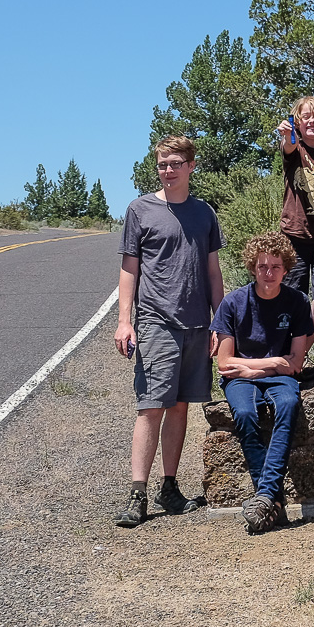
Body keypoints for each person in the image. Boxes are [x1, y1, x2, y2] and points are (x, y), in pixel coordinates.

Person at [113, 135, 225, 528]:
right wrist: (125, 320)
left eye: (176, 163)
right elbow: (130, 270)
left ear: (191, 166)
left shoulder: (204, 213)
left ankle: (170, 487)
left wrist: (219, 322)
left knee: (180, 406)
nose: (169, 170)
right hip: (158, 321)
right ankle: (137, 493)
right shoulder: (140, 210)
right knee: (152, 405)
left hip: (197, 324)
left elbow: (213, 271)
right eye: (163, 163)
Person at [212, 232, 314, 535]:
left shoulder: (297, 302)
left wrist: (257, 368)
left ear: (286, 269)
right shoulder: (234, 302)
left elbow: (295, 362)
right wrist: (268, 364)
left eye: (275, 267)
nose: (268, 274)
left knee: (288, 404)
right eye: (262, 267)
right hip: (240, 378)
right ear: (252, 268)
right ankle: (272, 498)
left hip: (278, 378)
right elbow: (224, 363)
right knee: (244, 414)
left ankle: (265, 497)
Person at [275, 96, 314, 343]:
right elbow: (289, 145)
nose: (312, 121)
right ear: (298, 122)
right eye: (306, 117)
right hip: (294, 236)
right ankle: (282, 353)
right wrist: (287, 134)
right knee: (292, 297)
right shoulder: (295, 150)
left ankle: (298, 354)